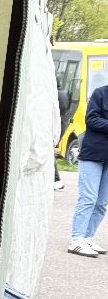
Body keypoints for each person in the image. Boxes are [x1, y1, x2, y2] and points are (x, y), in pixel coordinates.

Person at [68, 82, 108, 257]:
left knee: (101, 203)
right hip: (93, 154)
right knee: (88, 198)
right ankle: (76, 240)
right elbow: (91, 119)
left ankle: (88, 237)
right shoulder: (100, 93)